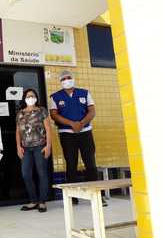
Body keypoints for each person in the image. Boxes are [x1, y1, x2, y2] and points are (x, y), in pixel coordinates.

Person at [49, 70, 107, 206]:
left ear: (73, 79)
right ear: (60, 81)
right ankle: (73, 197)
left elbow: (92, 111)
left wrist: (81, 124)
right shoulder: (55, 97)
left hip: (85, 132)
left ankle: (97, 195)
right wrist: (71, 124)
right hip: (66, 134)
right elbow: (54, 115)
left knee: (90, 163)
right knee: (71, 164)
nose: (67, 80)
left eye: (69, 78)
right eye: (64, 78)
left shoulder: (84, 93)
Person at [16, 89, 52, 213]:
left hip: (40, 146)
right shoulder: (20, 113)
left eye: (32, 96)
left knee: (42, 173)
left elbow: (48, 129)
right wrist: (18, 146)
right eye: (28, 96)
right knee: (26, 174)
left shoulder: (42, 111)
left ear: (36, 97)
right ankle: (33, 200)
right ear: (24, 98)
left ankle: (42, 201)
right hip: (25, 148)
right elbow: (18, 131)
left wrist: (48, 146)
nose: (30, 97)